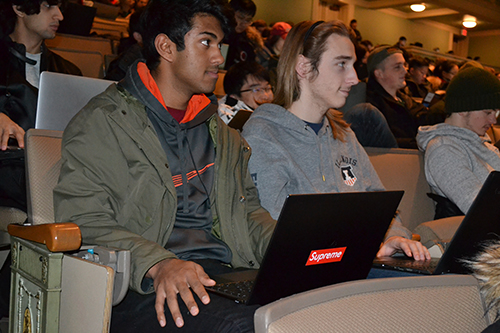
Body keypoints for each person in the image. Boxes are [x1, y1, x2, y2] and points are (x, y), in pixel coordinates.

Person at [53, 0, 276, 331]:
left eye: (219, 45)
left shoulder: (222, 133)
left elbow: (250, 214)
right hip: (141, 286)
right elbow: (83, 219)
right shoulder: (103, 123)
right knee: (253, 327)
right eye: (206, 42)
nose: (218, 58)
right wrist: (160, 264)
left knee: (315, 310)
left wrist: (297, 252)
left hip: (220, 274)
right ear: (166, 46)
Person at [242, 20, 429, 261]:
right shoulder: (264, 135)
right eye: (341, 64)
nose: (353, 78)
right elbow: (276, 236)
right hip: (306, 274)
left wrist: (393, 235)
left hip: (354, 262)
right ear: (304, 67)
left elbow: (378, 203)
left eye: (353, 65)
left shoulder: (342, 133)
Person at [0, 0, 81, 212]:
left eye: (60, 8)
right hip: (9, 170)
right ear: (18, 8)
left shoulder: (68, 72)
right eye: (49, 6)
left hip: (55, 169)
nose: (60, 16)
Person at [417, 67, 500, 219]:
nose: (493, 120)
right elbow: (480, 208)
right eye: (488, 112)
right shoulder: (443, 149)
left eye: (496, 113)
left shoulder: (484, 144)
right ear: (462, 110)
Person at [365, 45, 428, 148]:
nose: (405, 71)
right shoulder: (371, 105)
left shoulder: (404, 98)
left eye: (404, 65)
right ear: (379, 74)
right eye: (397, 67)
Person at [223, 0, 256, 69]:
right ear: (230, 14)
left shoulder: (247, 45)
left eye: (248, 20)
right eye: (240, 17)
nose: (244, 23)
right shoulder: (217, 38)